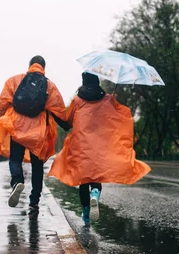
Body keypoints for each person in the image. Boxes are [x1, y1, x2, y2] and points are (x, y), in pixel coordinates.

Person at [48, 72, 151, 225]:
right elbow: (117, 116)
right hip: (100, 145)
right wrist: (112, 102)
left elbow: (68, 122)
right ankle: (95, 193)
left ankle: (86, 214)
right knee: (96, 175)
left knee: (83, 180)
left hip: (81, 145)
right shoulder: (108, 98)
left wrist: (54, 113)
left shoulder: (77, 101)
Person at [0, 56, 70, 218]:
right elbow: (59, 111)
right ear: (43, 67)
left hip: (17, 128)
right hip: (38, 132)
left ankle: (17, 181)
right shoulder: (49, 86)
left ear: (30, 66)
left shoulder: (14, 80)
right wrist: (67, 126)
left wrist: (4, 119)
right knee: (37, 167)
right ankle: (34, 203)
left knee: (15, 159)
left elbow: (2, 103)